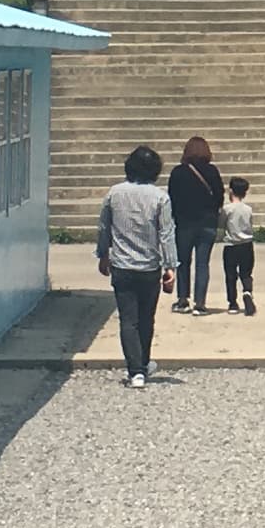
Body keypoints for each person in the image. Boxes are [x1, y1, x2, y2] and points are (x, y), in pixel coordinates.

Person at [95, 146, 177, 388]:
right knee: (146, 318)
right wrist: (170, 266)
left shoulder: (114, 193)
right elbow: (166, 234)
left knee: (127, 320)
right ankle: (144, 362)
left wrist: (103, 254)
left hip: (122, 264)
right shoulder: (160, 197)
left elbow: (103, 227)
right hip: (149, 266)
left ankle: (135, 371)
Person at [169, 135, 227, 312]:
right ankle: (200, 303)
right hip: (207, 222)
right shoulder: (212, 171)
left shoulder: (178, 172)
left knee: (183, 262)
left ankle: (182, 300)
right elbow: (219, 196)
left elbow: (172, 197)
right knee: (203, 263)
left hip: (184, 223)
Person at [218, 175, 259, 317]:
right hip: (247, 244)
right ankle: (247, 291)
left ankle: (232, 303)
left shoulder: (227, 209)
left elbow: (221, 224)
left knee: (230, 275)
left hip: (231, 245)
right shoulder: (248, 209)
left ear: (231, 191)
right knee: (246, 273)